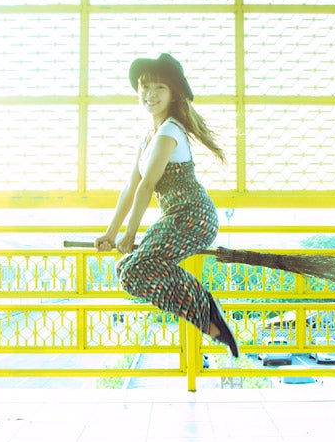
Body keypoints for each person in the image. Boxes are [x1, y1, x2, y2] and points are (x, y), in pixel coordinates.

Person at [95, 53, 239, 357]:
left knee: (135, 269)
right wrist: (110, 233)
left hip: (194, 217)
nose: (150, 94)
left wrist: (130, 234)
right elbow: (130, 188)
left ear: (173, 93)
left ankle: (207, 310)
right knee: (127, 271)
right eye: (145, 87)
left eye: (159, 87)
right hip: (174, 218)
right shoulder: (148, 137)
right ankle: (206, 313)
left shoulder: (170, 130)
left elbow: (147, 186)